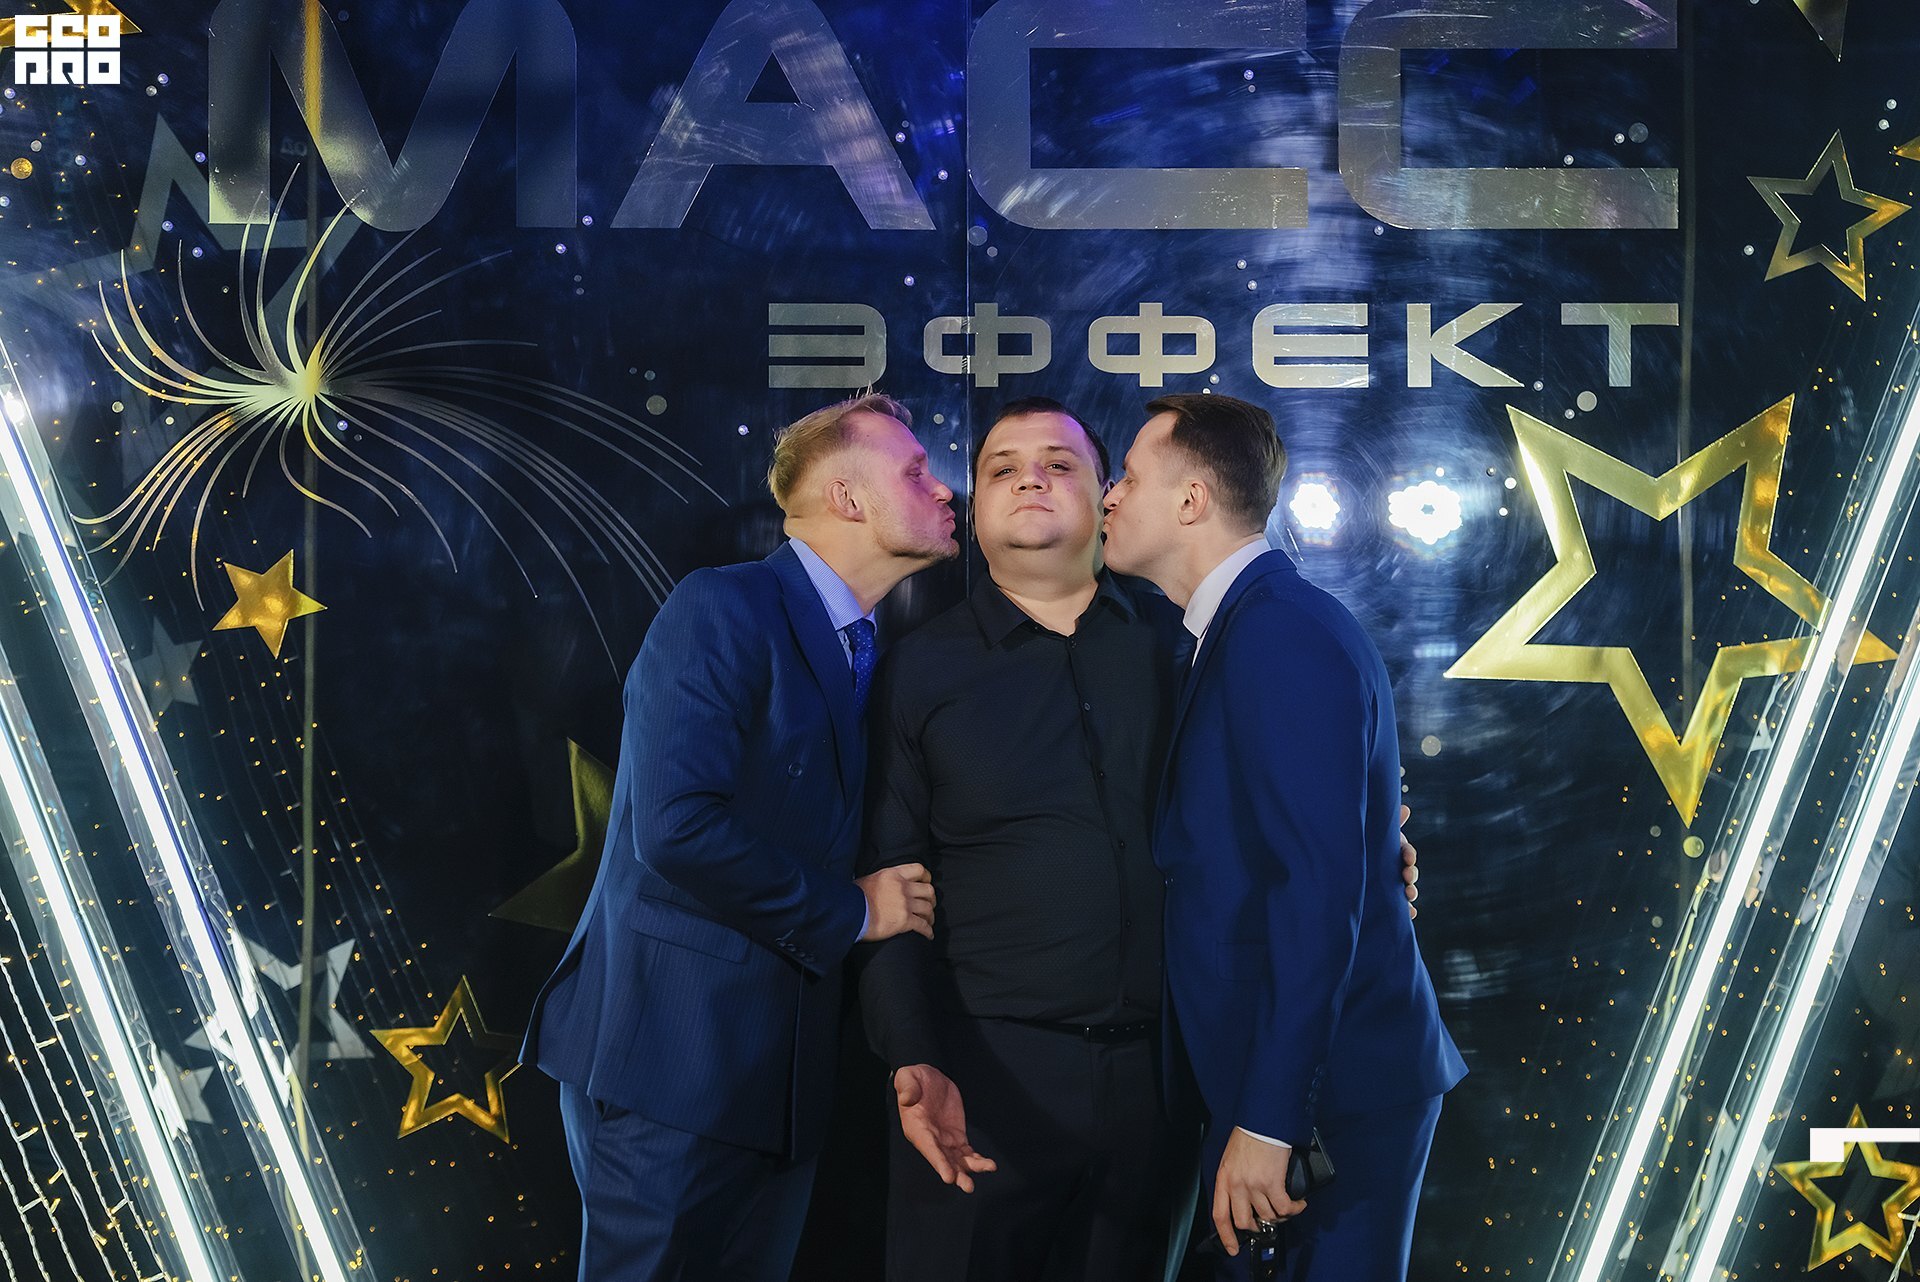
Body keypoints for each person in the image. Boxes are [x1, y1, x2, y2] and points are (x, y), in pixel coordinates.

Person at [858, 398, 1422, 1281]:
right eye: (1002, 468)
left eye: (1066, 466)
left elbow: (1297, 838)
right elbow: (891, 876)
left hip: (1167, 1090)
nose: (1031, 480)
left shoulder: (1195, 643)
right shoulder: (915, 668)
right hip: (984, 1081)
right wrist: (914, 1052)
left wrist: (1369, 854)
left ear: (1104, 502)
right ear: (974, 507)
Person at [521, 392, 958, 1282]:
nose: (943, 488)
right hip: (668, 1071)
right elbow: (675, 828)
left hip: (776, 1092)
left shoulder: (864, 646)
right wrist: (855, 911)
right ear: (846, 497)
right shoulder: (723, 606)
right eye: (915, 471)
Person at [1100, 393, 1467, 1282]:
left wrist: (1270, 1119)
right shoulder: (1243, 628)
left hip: (1327, 1097)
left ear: (1192, 500)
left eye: (1129, 478)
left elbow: (1318, 893)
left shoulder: (1278, 634)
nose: (1109, 496)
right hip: (1289, 1088)